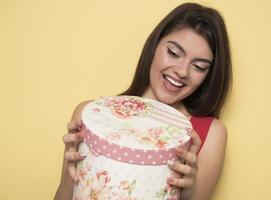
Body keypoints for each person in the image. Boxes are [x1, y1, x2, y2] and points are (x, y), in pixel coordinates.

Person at [54, 2, 231, 200]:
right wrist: (73, 174)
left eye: (198, 66)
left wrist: (189, 193)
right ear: (154, 46)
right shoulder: (89, 115)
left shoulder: (209, 134)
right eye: (173, 53)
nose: (182, 71)